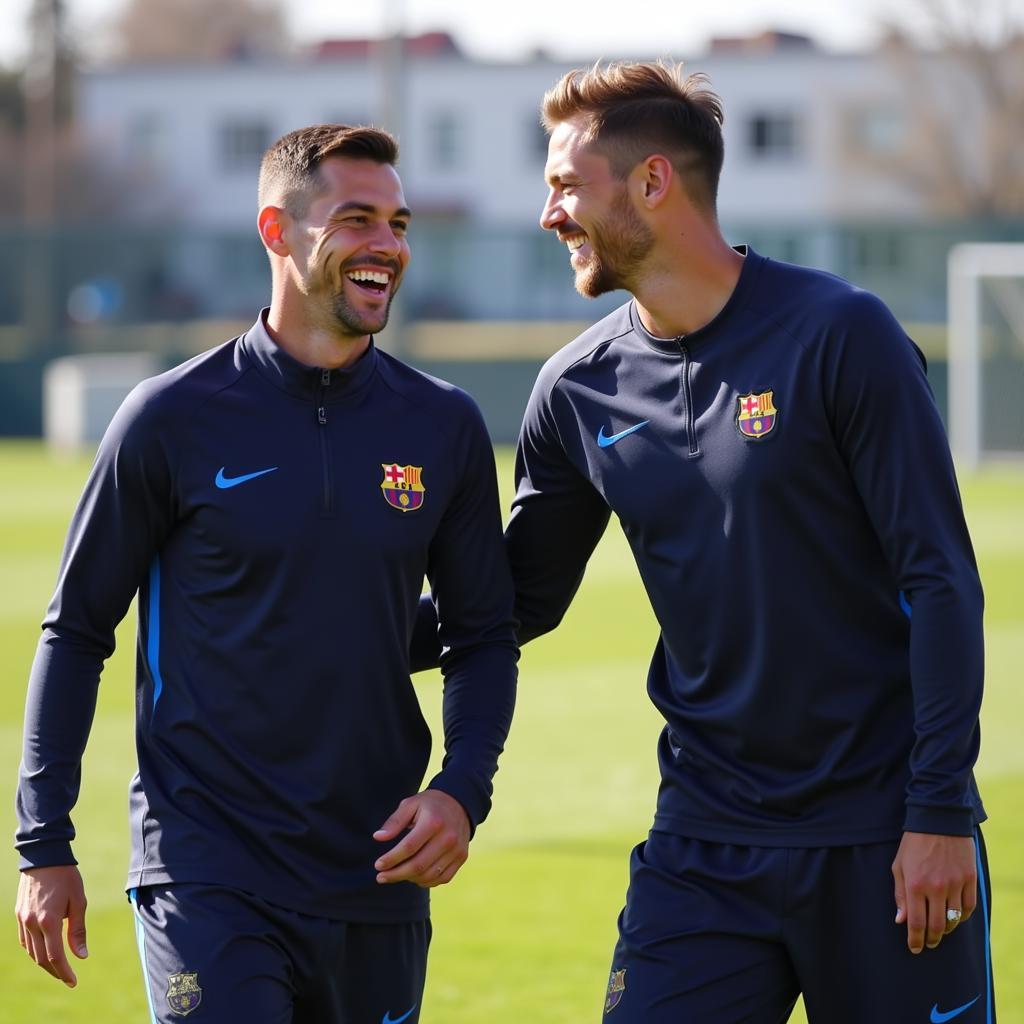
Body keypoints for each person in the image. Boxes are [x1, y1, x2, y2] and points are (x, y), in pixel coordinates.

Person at [410, 61, 994, 1022]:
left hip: (883, 831)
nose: (549, 214)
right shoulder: (576, 389)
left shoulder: (842, 335)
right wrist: (341, 627)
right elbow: (518, 601)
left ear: (652, 183)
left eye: (565, 186)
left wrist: (936, 812)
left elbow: (940, 581)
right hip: (704, 841)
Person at [15, 123, 518, 1024]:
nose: (387, 246)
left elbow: (484, 634)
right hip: (208, 864)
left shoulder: (440, 425)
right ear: (276, 232)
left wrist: (461, 791)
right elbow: (77, 630)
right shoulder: (169, 418)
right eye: (356, 218)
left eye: (398, 224)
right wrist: (42, 842)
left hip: (375, 869)